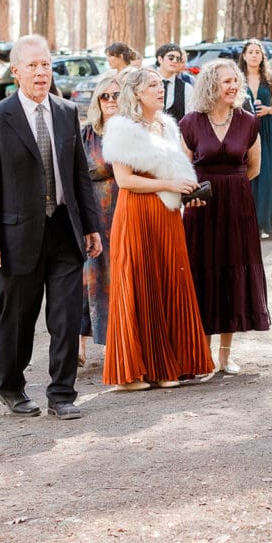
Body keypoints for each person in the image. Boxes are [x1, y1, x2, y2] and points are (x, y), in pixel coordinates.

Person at [0, 34, 103, 421]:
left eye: (45, 64)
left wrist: (91, 226)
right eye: (32, 65)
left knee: (64, 318)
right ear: (15, 71)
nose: (41, 71)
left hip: (64, 230)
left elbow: (80, 175)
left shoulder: (65, 112)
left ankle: (62, 393)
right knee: (16, 320)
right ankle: (11, 387)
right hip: (16, 238)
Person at [101, 67, 215, 390]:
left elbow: (178, 168)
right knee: (140, 283)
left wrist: (186, 194)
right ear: (136, 93)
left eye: (159, 84)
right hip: (137, 212)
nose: (159, 89)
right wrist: (167, 184)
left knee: (169, 280)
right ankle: (134, 372)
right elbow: (124, 180)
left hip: (167, 213)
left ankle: (169, 366)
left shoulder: (167, 125)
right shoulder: (121, 128)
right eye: (152, 85)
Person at [181, 60, 270, 375]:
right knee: (202, 274)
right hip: (200, 209)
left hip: (236, 208)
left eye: (236, 81)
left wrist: (233, 186)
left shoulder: (248, 121)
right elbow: (183, 169)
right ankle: (200, 353)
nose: (233, 86)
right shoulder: (190, 122)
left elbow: (254, 167)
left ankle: (225, 355)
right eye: (226, 82)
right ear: (209, 86)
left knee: (232, 273)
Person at [78, 70, 122, 366]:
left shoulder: (131, 129)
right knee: (88, 280)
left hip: (123, 212)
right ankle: (79, 346)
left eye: (115, 95)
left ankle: (114, 344)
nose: (109, 100)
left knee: (117, 279)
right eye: (104, 95)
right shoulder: (86, 133)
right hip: (95, 216)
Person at [239, 39, 272, 239]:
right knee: (250, 176)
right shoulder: (237, 78)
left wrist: (268, 110)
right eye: (250, 52)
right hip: (244, 130)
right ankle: (252, 225)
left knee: (271, 176)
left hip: (267, 129)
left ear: (262, 56)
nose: (254, 55)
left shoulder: (270, 77)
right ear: (244, 55)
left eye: (257, 52)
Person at [156, 42, 194, 122]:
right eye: (171, 58)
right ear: (160, 59)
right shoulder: (146, 83)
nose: (175, 61)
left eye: (178, 59)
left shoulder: (186, 88)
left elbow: (189, 119)